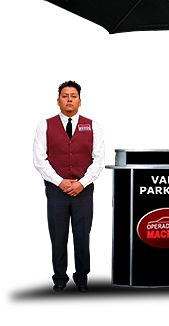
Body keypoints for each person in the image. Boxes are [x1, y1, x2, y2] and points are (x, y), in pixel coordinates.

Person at [33, 80, 105, 292]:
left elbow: (98, 160)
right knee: (58, 235)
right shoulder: (44, 125)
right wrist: (61, 182)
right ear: (58, 100)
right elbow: (39, 160)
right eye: (65, 96)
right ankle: (60, 278)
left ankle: (82, 277)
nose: (69, 99)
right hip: (56, 191)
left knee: (82, 235)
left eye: (73, 96)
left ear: (80, 101)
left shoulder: (93, 126)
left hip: (84, 191)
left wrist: (81, 183)